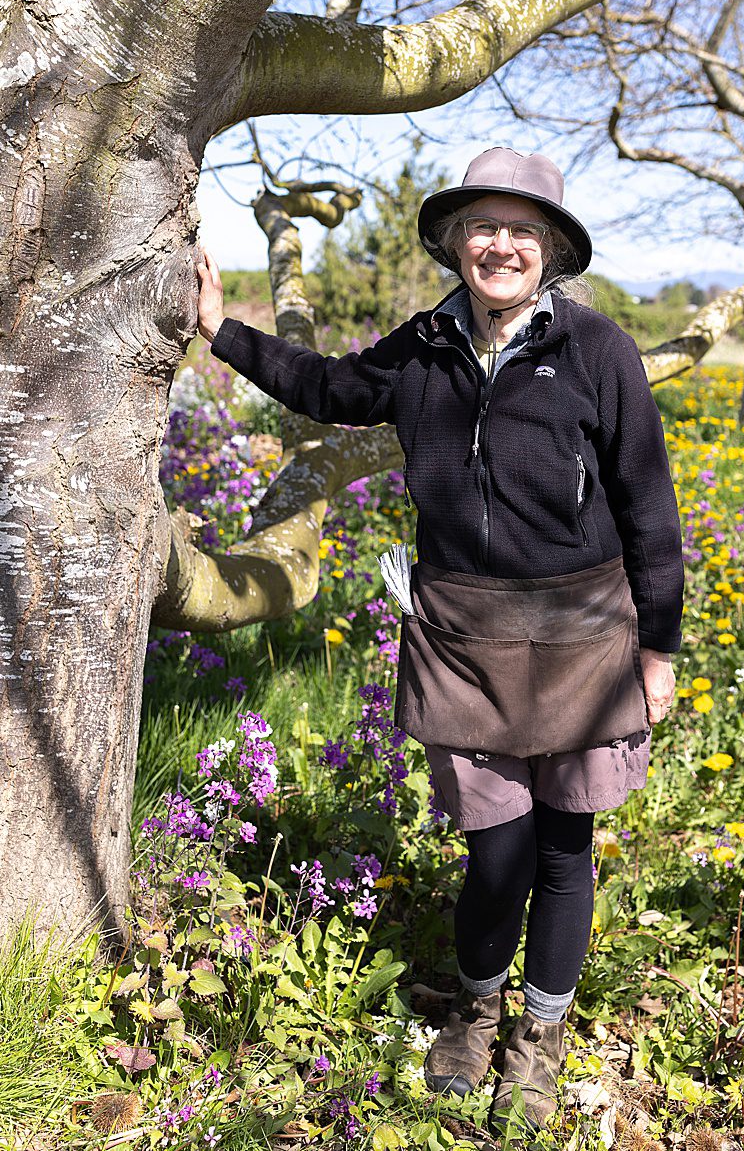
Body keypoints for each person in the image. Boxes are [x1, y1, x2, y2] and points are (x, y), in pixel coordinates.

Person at [195, 146, 682, 1132]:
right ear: (457, 243)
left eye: (522, 231)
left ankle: (536, 1045)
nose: (500, 245)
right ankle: (473, 1013)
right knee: (493, 854)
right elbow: (328, 387)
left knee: (563, 852)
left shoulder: (599, 353)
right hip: (463, 630)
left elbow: (646, 504)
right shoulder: (420, 349)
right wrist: (219, 331)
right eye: (483, 227)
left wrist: (658, 648)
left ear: (550, 251)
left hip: (586, 631)